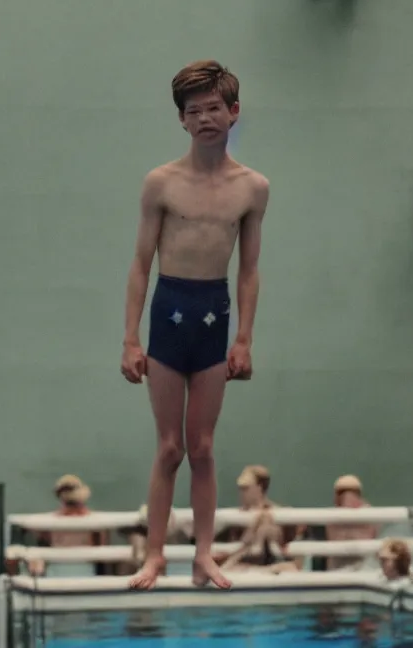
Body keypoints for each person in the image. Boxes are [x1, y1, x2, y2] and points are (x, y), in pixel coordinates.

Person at [120, 60, 269, 590]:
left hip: (214, 315)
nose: (205, 118)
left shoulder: (252, 188)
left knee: (203, 446)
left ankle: (204, 555)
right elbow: (140, 264)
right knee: (169, 448)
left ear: (233, 113)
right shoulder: (161, 183)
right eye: (193, 111)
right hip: (169, 313)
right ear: (182, 121)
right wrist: (131, 336)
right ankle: (156, 554)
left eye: (213, 108)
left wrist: (245, 340)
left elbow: (249, 270)